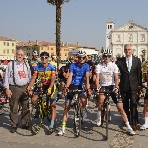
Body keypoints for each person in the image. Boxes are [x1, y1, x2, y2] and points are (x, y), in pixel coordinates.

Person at [95, 48, 135, 135]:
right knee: (101, 99)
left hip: (112, 85)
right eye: (105, 56)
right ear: (102, 56)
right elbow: (97, 78)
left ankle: (129, 127)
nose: (106, 58)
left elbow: (117, 78)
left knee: (120, 108)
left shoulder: (114, 65)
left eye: (108, 56)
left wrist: (116, 87)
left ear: (110, 57)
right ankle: (98, 115)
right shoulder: (99, 66)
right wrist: (98, 88)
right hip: (103, 86)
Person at [58, 50, 91, 136]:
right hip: (72, 85)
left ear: (85, 58)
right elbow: (70, 76)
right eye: (79, 57)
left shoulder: (87, 66)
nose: (81, 59)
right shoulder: (73, 65)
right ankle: (63, 128)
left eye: (83, 58)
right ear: (77, 57)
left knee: (84, 99)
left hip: (80, 85)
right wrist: (67, 87)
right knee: (66, 107)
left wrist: (88, 87)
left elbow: (87, 77)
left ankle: (83, 110)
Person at [27, 51, 56, 134]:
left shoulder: (52, 67)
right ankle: (38, 109)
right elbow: (33, 78)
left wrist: (50, 88)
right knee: (33, 99)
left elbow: (53, 79)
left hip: (51, 85)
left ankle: (52, 125)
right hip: (42, 86)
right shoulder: (37, 67)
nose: (44, 59)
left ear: (48, 59)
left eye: (46, 57)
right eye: (42, 58)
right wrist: (29, 87)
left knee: (52, 105)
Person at [3, 49, 32, 133]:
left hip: (25, 87)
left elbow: (30, 77)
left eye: (21, 55)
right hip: (14, 88)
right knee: (14, 107)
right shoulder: (10, 64)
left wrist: (30, 88)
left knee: (25, 106)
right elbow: (6, 78)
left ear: (24, 56)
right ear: (16, 55)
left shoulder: (27, 64)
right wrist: (7, 89)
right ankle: (14, 125)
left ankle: (25, 124)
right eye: (18, 54)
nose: (20, 56)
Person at [116, 44, 142, 131]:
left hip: (134, 86)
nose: (127, 51)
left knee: (134, 104)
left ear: (132, 50)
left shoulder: (137, 60)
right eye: (126, 49)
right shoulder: (120, 61)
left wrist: (139, 85)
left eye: (129, 49)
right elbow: (116, 73)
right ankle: (126, 121)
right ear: (124, 50)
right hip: (123, 85)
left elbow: (139, 73)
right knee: (125, 104)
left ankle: (134, 123)